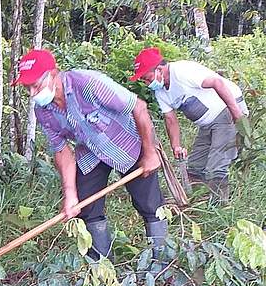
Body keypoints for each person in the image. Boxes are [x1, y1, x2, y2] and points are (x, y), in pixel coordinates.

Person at [13, 49, 166, 261]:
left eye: (35, 85)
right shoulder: (44, 111)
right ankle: (102, 269)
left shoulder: (88, 83)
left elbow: (138, 107)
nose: (32, 93)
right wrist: (70, 194)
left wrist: (149, 154)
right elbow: (62, 150)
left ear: (53, 73)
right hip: (90, 153)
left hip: (126, 143)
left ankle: (161, 263)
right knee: (86, 207)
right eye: (27, 88)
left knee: (149, 204)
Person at [130, 48, 249, 202]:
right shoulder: (161, 91)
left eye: (147, 78)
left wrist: (236, 114)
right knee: (195, 166)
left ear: (159, 69)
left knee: (216, 164)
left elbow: (217, 82)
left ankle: (220, 205)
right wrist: (176, 146)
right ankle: (199, 200)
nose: (147, 83)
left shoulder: (182, 71)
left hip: (226, 111)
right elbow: (170, 118)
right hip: (207, 123)